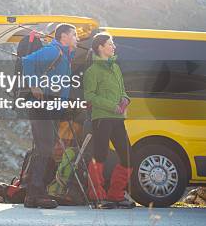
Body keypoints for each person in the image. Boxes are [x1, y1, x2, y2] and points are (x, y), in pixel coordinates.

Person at [21, 23, 78, 209]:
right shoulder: (54, 51)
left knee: (43, 148)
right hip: (42, 106)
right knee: (45, 148)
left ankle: (32, 195)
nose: (76, 38)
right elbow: (27, 61)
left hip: (51, 107)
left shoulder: (66, 55)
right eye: (74, 34)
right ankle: (37, 191)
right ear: (64, 36)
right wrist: (34, 85)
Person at [84, 33, 135, 209]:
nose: (114, 47)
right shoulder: (92, 71)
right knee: (100, 155)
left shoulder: (116, 68)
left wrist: (125, 99)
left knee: (128, 156)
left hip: (118, 119)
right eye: (110, 44)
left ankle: (115, 195)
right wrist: (111, 106)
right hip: (102, 118)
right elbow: (89, 96)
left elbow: (123, 90)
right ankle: (97, 196)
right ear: (100, 47)